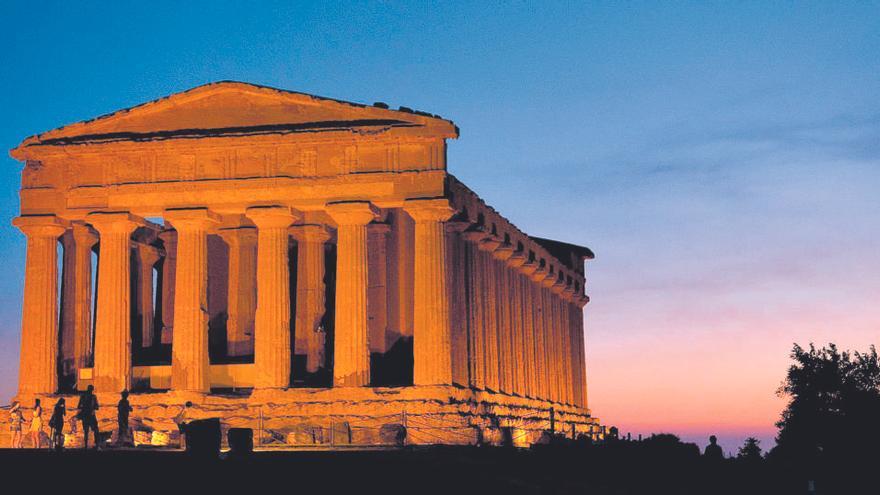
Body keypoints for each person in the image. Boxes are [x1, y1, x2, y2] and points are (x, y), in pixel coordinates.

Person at [77, 385, 100, 449]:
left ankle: (86, 445)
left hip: (84, 416)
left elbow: (79, 406)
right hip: (91, 416)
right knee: (96, 429)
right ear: (92, 390)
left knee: (86, 431)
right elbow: (97, 407)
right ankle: (96, 444)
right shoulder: (93, 397)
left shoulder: (82, 396)